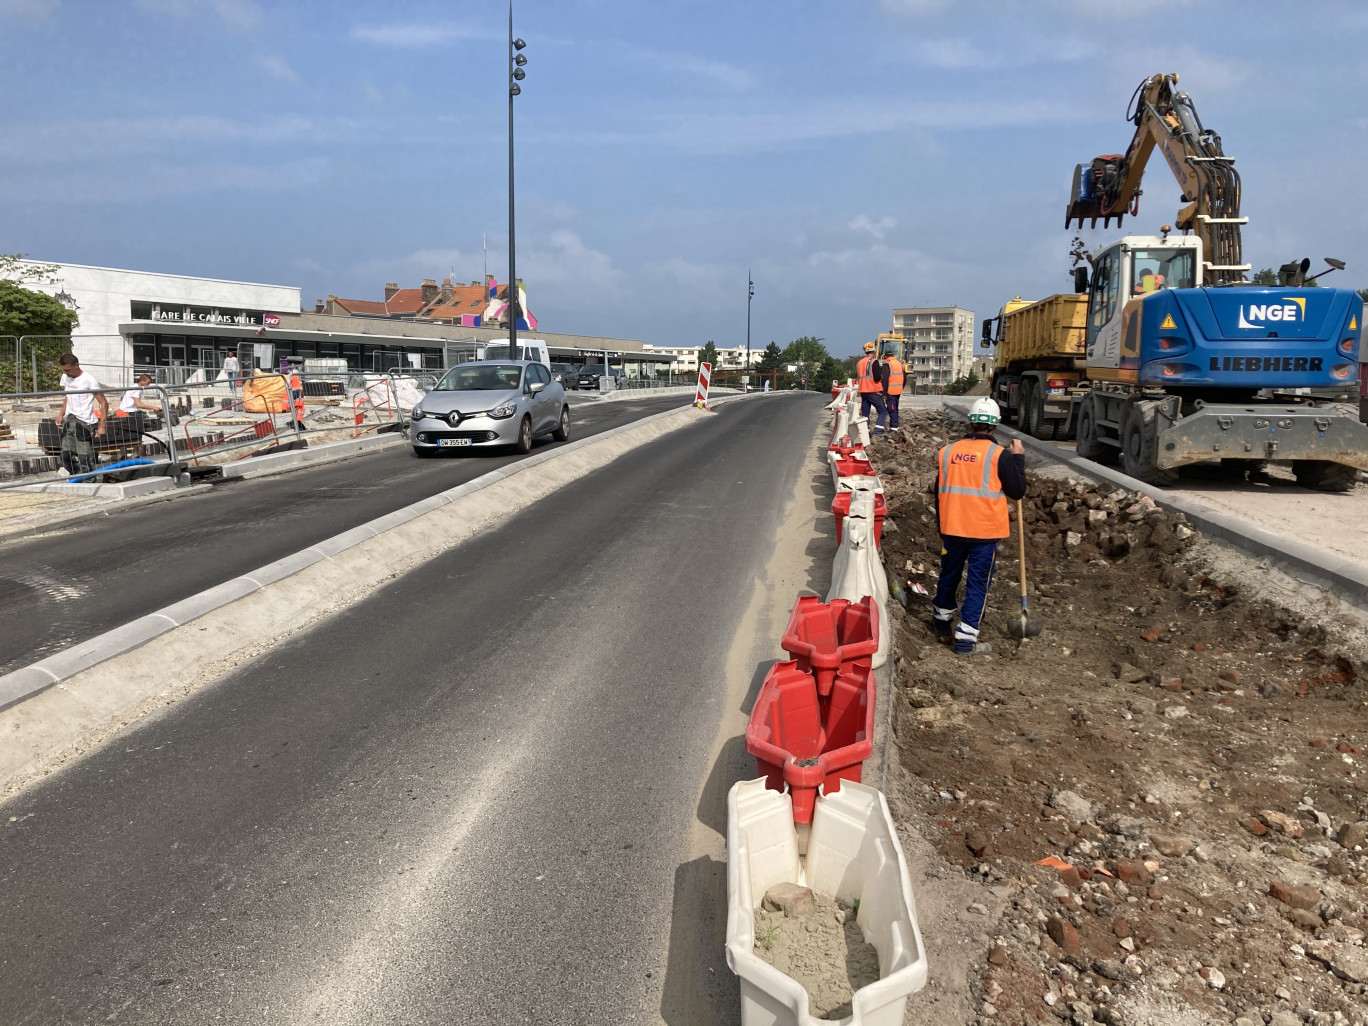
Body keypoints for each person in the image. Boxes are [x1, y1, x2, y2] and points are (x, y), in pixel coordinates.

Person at [931, 397, 1026, 657]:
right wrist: (1018, 459)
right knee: (977, 585)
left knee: (948, 576)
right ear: (994, 427)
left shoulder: (947, 452)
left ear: (971, 423)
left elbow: (938, 492)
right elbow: (1017, 492)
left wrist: (941, 525)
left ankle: (941, 625)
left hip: (952, 528)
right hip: (984, 533)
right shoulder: (1000, 455)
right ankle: (965, 641)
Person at [56, 353, 108, 475]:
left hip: (84, 422)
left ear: (76, 365)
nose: (66, 373)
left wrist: (102, 426)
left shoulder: (89, 380)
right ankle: (75, 477)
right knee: (66, 454)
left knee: (84, 456)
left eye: (68, 370)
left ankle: (90, 479)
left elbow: (104, 403)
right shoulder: (65, 377)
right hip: (69, 420)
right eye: (64, 370)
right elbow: (68, 396)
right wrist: (61, 414)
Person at [855, 342, 888, 435]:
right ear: (874, 350)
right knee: (883, 411)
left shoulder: (860, 362)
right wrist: (881, 377)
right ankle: (878, 431)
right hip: (873, 390)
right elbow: (877, 377)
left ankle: (865, 432)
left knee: (865, 414)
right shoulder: (874, 361)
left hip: (863, 391)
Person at [882, 348, 905, 430]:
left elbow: (885, 380)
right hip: (898, 390)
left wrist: (884, 393)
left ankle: (894, 427)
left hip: (890, 391)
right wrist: (901, 387)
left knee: (892, 409)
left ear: (885, 356)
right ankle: (895, 426)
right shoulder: (899, 364)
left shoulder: (887, 365)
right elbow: (904, 378)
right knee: (895, 408)